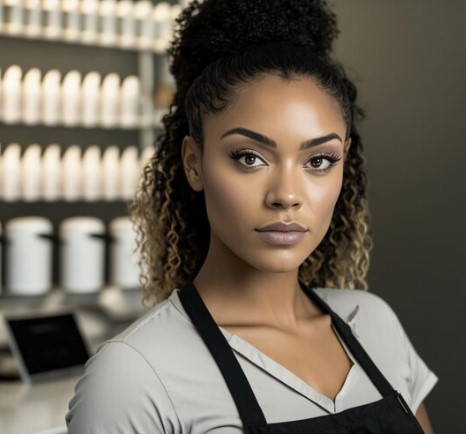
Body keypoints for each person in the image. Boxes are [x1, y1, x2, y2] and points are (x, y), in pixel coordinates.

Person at [66, 0, 438, 432]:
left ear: (345, 163)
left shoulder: (373, 324)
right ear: (193, 163)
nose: (286, 195)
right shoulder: (134, 375)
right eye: (249, 158)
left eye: (318, 161)